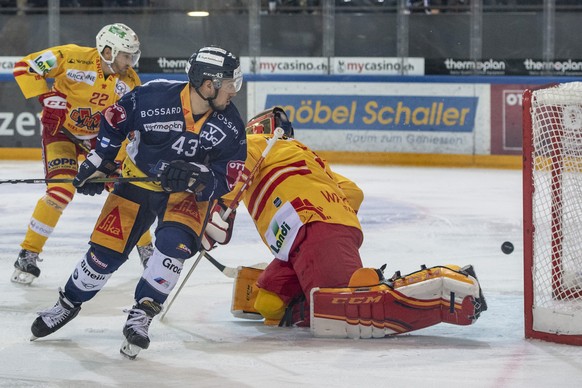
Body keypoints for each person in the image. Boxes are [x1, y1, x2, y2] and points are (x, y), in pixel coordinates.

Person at [28, 46, 247, 360]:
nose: (233, 91)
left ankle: (142, 313)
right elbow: (115, 120)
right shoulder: (154, 97)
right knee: (103, 255)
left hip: (186, 195)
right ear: (208, 84)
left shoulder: (230, 124)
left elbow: (228, 174)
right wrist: (100, 162)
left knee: (173, 249)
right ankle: (68, 303)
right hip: (137, 181)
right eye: (229, 84)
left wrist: (199, 176)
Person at [203, 107, 487, 336]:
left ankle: (448, 286)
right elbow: (353, 193)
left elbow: (237, 167)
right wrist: (331, 222)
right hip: (316, 233)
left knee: (344, 312)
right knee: (268, 301)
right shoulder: (308, 158)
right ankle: (318, 291)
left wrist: (219, 206)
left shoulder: (257, 143)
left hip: (312, 229)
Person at [11, 23, 154, 285]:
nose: (130, 61)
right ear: (108, 51)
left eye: (133, 55)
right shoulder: (72, 56)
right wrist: (45, 97)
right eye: (126, 54)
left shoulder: (130, 81)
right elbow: (24, 67)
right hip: (61, 133)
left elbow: (128, 127)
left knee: (125, 192)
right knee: (60, 191)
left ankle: (146, 248)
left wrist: (115, 161)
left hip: (101, 142)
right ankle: (28, 253)